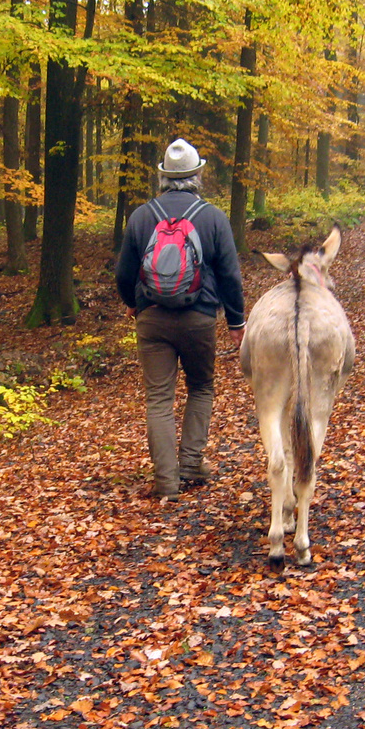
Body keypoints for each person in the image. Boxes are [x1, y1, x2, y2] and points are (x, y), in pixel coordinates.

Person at [115, 138, 245, 500]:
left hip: (152, 318)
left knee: (159, 399)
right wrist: (236, 323)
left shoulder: (142, 216)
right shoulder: (213, 217)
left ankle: (166, 482)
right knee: (201, 387)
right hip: (199, 318)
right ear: (197, 176)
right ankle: (190, 463)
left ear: (163, 178)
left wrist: (132, 303)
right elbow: (231, 276)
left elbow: (124, 272)